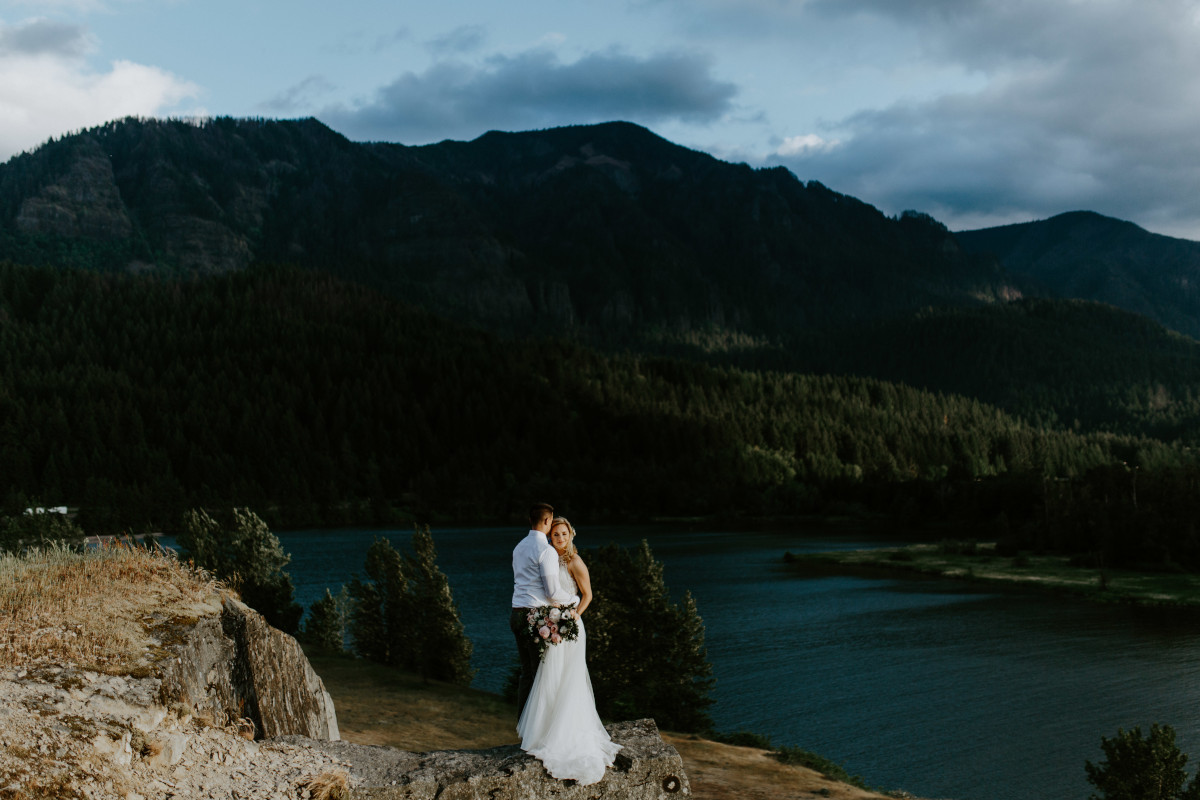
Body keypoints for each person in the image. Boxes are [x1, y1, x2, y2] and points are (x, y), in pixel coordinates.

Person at [517, 516, 622, 785]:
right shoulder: (549, 558)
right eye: (555, 535)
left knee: (570, 679)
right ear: (550, 538)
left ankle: (568, 733)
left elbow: (588, 595)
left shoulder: (576, 562)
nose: (559, 538)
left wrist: (574, 616)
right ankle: (545, 732)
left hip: (571, 626)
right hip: (553, 624)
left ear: (571, 535)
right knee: (549, 675)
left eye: (563, 534)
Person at [511, 502, 576, 716]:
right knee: (542, 676)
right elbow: (552, 592)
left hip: (516, 614)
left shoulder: (519, 547)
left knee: (526, 674)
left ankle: (523, 725)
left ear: (531, 520)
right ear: (548, 521)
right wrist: (573, 599)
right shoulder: (546, 551)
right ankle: (538, 731)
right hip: (534, 618)